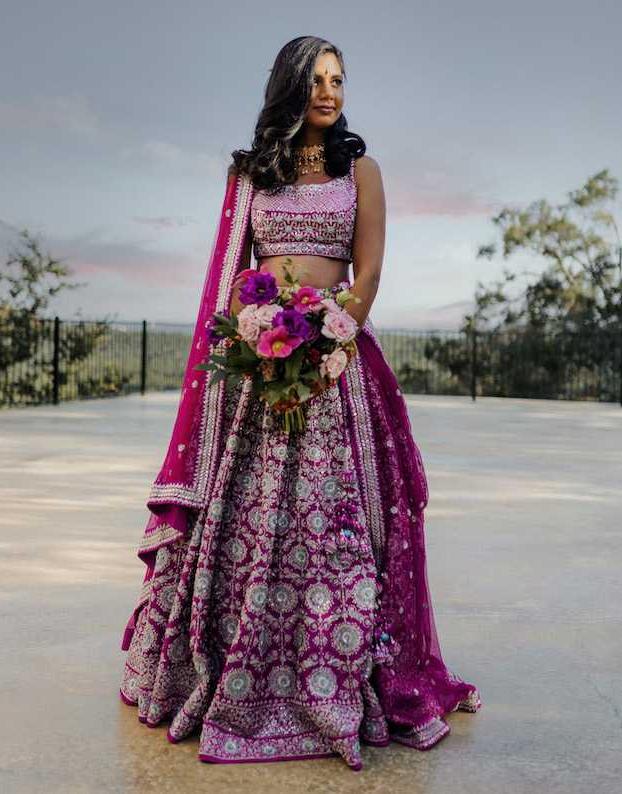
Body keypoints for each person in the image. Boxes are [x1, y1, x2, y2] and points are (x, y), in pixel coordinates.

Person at [120, 36, 479, 771]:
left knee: (340, 525)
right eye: (316, 79)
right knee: (252, 521)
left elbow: (369, 269)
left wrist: (333, 339)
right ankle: (239, 665)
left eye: (339, 79)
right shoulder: (251, 173)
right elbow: (233, 276)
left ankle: (344, 670)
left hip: (338, 367)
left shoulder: (362, 170)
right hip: (259, 367)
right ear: (290, 86)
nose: (329, 91)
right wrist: (253, 345)